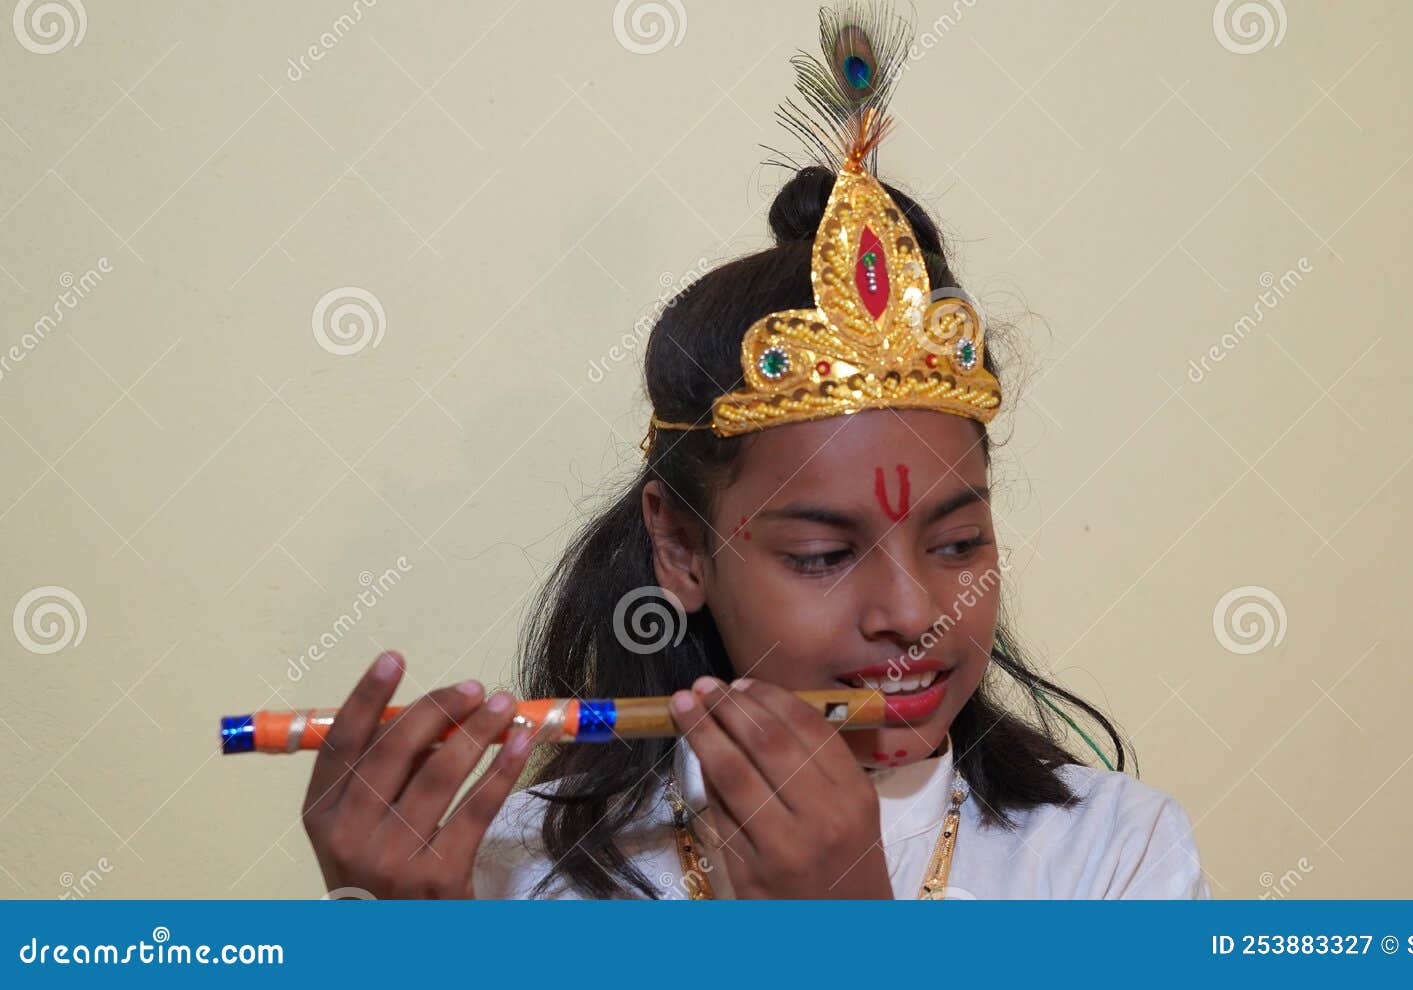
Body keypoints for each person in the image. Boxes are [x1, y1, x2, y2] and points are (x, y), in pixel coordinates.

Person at [300, 1, 1210, 901]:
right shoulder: (513, 868)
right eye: (822, 554)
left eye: (958, 545)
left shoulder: (1114, 857)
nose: (910, 610)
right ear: (682, 550)